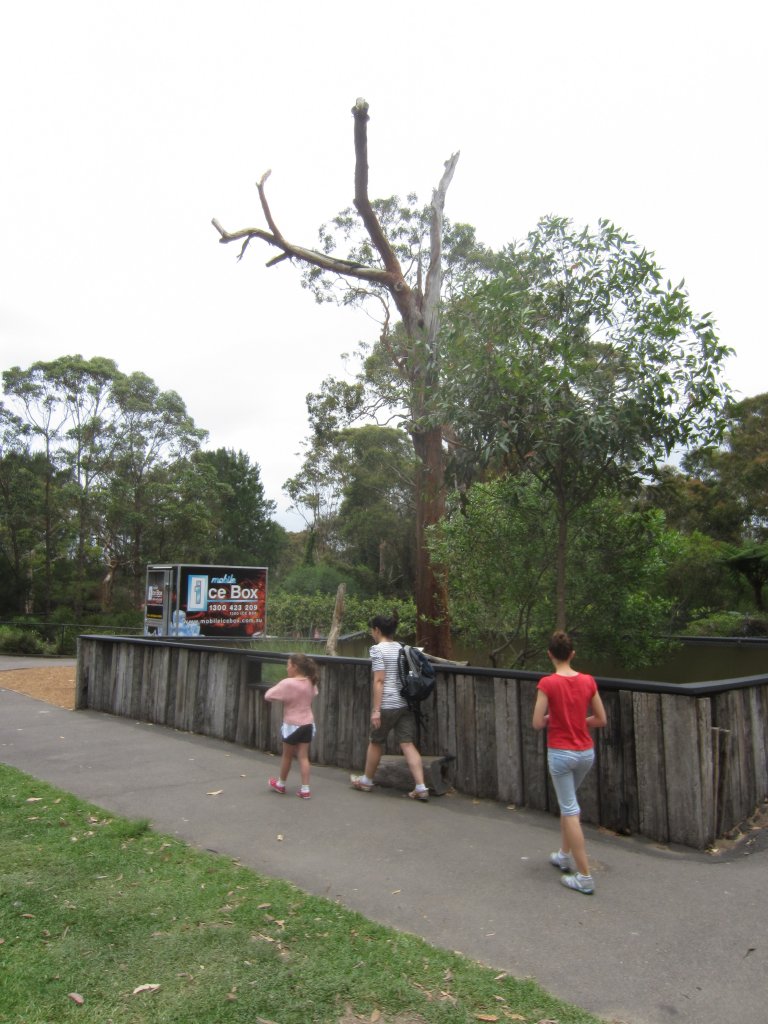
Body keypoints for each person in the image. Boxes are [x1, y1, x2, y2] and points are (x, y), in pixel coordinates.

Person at [532, 630, 607, 894]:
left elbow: (537, 722)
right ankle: (563, 855)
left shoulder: (547, 684)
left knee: (570, 808)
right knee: (569, 805)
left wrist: (555, 718)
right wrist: (579, 722)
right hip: (586, 752)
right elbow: (600, 719)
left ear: (550, 654)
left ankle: (584, 876)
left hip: (561, 754)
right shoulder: (588, 681)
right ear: (572, 654)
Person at [350, 611, 430, 802]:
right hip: (405, 703)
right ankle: (421, 786)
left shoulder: (377, 650)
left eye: (372, 630)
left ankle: (367, 781)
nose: (372, 633)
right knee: (407, 744)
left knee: (376, 741)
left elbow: (379, 681)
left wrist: (376, 710)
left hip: (387, 704)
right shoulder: (402, 647)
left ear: (377, 630)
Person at [264, 653, 319, 799]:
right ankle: (305, 789)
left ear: (294, 667)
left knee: (287, 756)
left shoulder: (287, 683)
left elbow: (268, 695)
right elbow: (315, 693)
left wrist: (284, 697)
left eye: (288, 665)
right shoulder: (310, 681)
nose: (286, 668)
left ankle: (281, 784)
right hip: (308, 723)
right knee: (303, 757)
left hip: (292, 725)